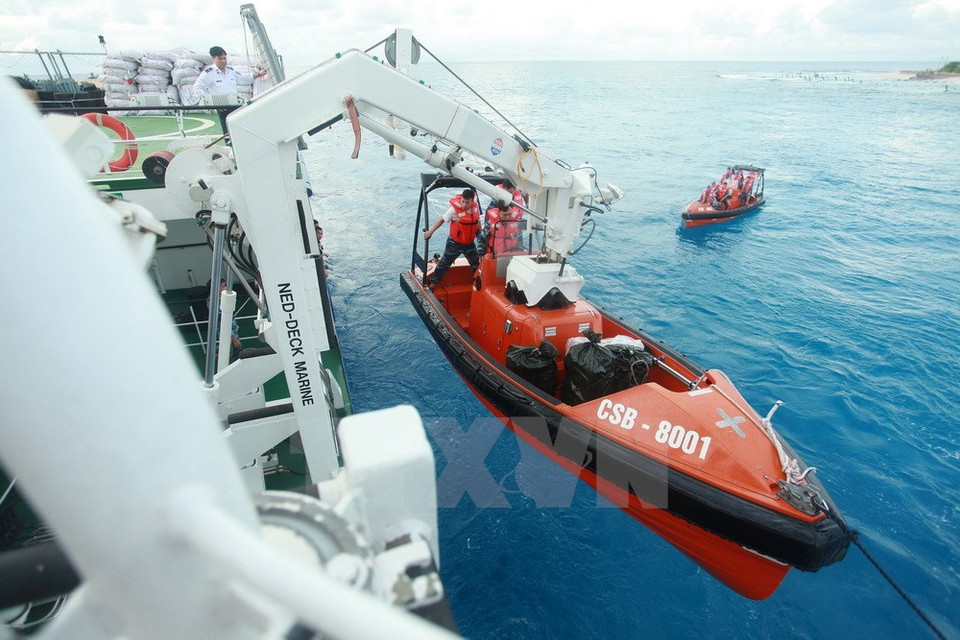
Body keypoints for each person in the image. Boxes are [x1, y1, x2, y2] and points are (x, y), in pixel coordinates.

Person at [192, 46, 266, 137]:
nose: (223, 61)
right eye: (220, 59)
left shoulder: (230, 71)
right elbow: (197, 88)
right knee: (228, 134)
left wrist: (258, 74)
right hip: (223, 107)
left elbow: (243, 79)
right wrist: (210, 101)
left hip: (236, 104)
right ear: (213, 59)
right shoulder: (208, 73)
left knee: (241, 130)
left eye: (224, 58)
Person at [424, 189, 481, 287]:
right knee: (444, 264)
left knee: (476, 264)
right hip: (454, 243)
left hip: (469, 243)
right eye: (463, 201)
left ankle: (477, 284)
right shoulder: (454, 210)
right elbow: (441, 220)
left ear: (472, 201)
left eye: (467, 202)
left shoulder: (475, 208)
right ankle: (433, 284)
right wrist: (431, 231)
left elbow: (477, 221)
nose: (464, 204)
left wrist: (480, 233)